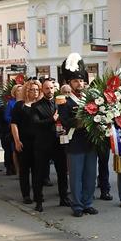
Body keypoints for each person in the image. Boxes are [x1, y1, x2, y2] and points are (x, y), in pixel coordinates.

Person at [58, 53, 99, 217]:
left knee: (90, 175)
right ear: (70, 83)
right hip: (75, 142)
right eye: (76, 81)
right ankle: (77, 206)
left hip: (90, 142)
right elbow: (65, 121)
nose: (79, 83)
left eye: (81, 80)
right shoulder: (64, 100)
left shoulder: (91, 99)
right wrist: (80, 122)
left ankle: (88, 203)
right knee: (76, 177)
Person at [35, 78, 70, 209]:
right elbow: (36, 124)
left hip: (59, 143)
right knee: (39, 174)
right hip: (43, 145)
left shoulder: (60, 104)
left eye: (51, 88)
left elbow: (66, 120)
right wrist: (52, 119)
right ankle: (38, 201)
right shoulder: (36, 106)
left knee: (62, 173)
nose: (50, 90)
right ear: (42, 90)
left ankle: (64, 198)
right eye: (47, 88)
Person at [11, 80, 41, 205]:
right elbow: (14, 124)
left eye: (36, 90)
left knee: (37, 170)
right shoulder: (20, 105)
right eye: (31, 90)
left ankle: (37, 194)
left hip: (38, 142)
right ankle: (26, 195)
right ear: (26, 91)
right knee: (24, 170)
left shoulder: (41, 105)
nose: (34, 92)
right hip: (24, 142)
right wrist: (17, 141)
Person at [2, 84, 23, 176]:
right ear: (14, 92)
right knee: (15, 150)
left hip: (25, 129)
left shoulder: (26, 101)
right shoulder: (11, 103)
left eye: (22, 90)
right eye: (18, 90)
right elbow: (6, 117)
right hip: (14, 129)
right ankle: (17, 169)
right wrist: (15, 120)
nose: (20, 92)